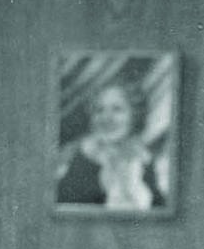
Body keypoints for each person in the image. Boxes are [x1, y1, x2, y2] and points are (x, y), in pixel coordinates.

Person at [54, 79, 164, 210]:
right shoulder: (75, 155)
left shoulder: (144, 160)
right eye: (99, 110)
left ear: (134, 114)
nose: (106, 118)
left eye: (117, 109)